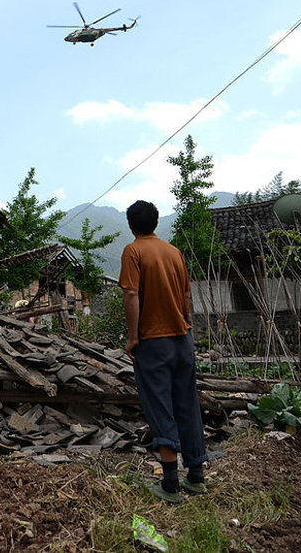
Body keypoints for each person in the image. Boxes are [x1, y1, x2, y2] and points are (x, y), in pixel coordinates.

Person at [119, 200, 208, 504]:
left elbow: (131, 293)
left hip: (153, 342)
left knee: (160, 406)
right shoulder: (174, 252)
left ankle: (170, 484)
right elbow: (185, 293)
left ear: (131, 226)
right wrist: (184, 325)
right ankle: (197, 477)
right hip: (182, 339)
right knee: (187, 404)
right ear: (156, 222)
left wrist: (133, 338)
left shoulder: (134, 251)